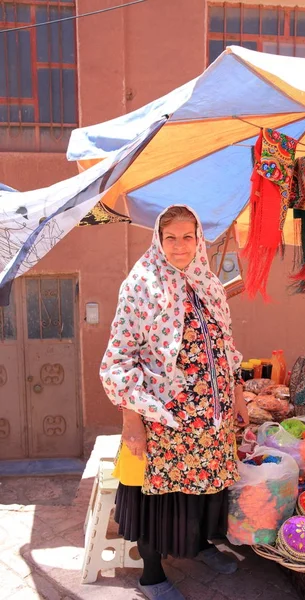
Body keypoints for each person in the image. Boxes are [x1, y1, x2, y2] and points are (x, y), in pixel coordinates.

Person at [100, 205, 248, 600]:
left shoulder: (209, 283)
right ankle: (151, 575)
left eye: (188, 236)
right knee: (159, 497)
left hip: (210, 417)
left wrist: (237, 395)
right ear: (158, 240)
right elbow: (119, 358)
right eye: (171, 237)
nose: (180, 246)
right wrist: (132, 420)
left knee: (202, 491)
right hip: (164, 417)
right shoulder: (142, 285)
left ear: (199, 239)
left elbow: (227, 347)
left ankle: (198, 545)